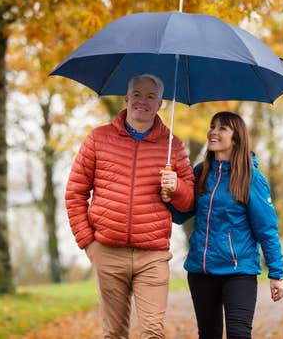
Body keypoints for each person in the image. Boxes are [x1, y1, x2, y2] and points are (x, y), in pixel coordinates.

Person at [65, 74, 195, 339]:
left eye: (151, 97)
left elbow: (191, 201)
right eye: (137, 94)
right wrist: (89, 244)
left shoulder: (174, 147)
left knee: (152, 332)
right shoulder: (98, 139)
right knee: (113, 333)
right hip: (108, 252)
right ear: (126, 99)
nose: (142, 102)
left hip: (153, 255)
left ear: (160, 104)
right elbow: (75, 192)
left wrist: (177, 186)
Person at [161, 111, 283, 339]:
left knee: (239, 334)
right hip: (201, 270)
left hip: (238, 271)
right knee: (209, 335)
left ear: (236, 138)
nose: (213, 132)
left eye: (222, 128)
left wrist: (277, 273)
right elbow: (180, 215)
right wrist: (171, 194)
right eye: (212, 126)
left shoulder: (251, 177)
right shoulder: (200, 172)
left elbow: (267, 229)